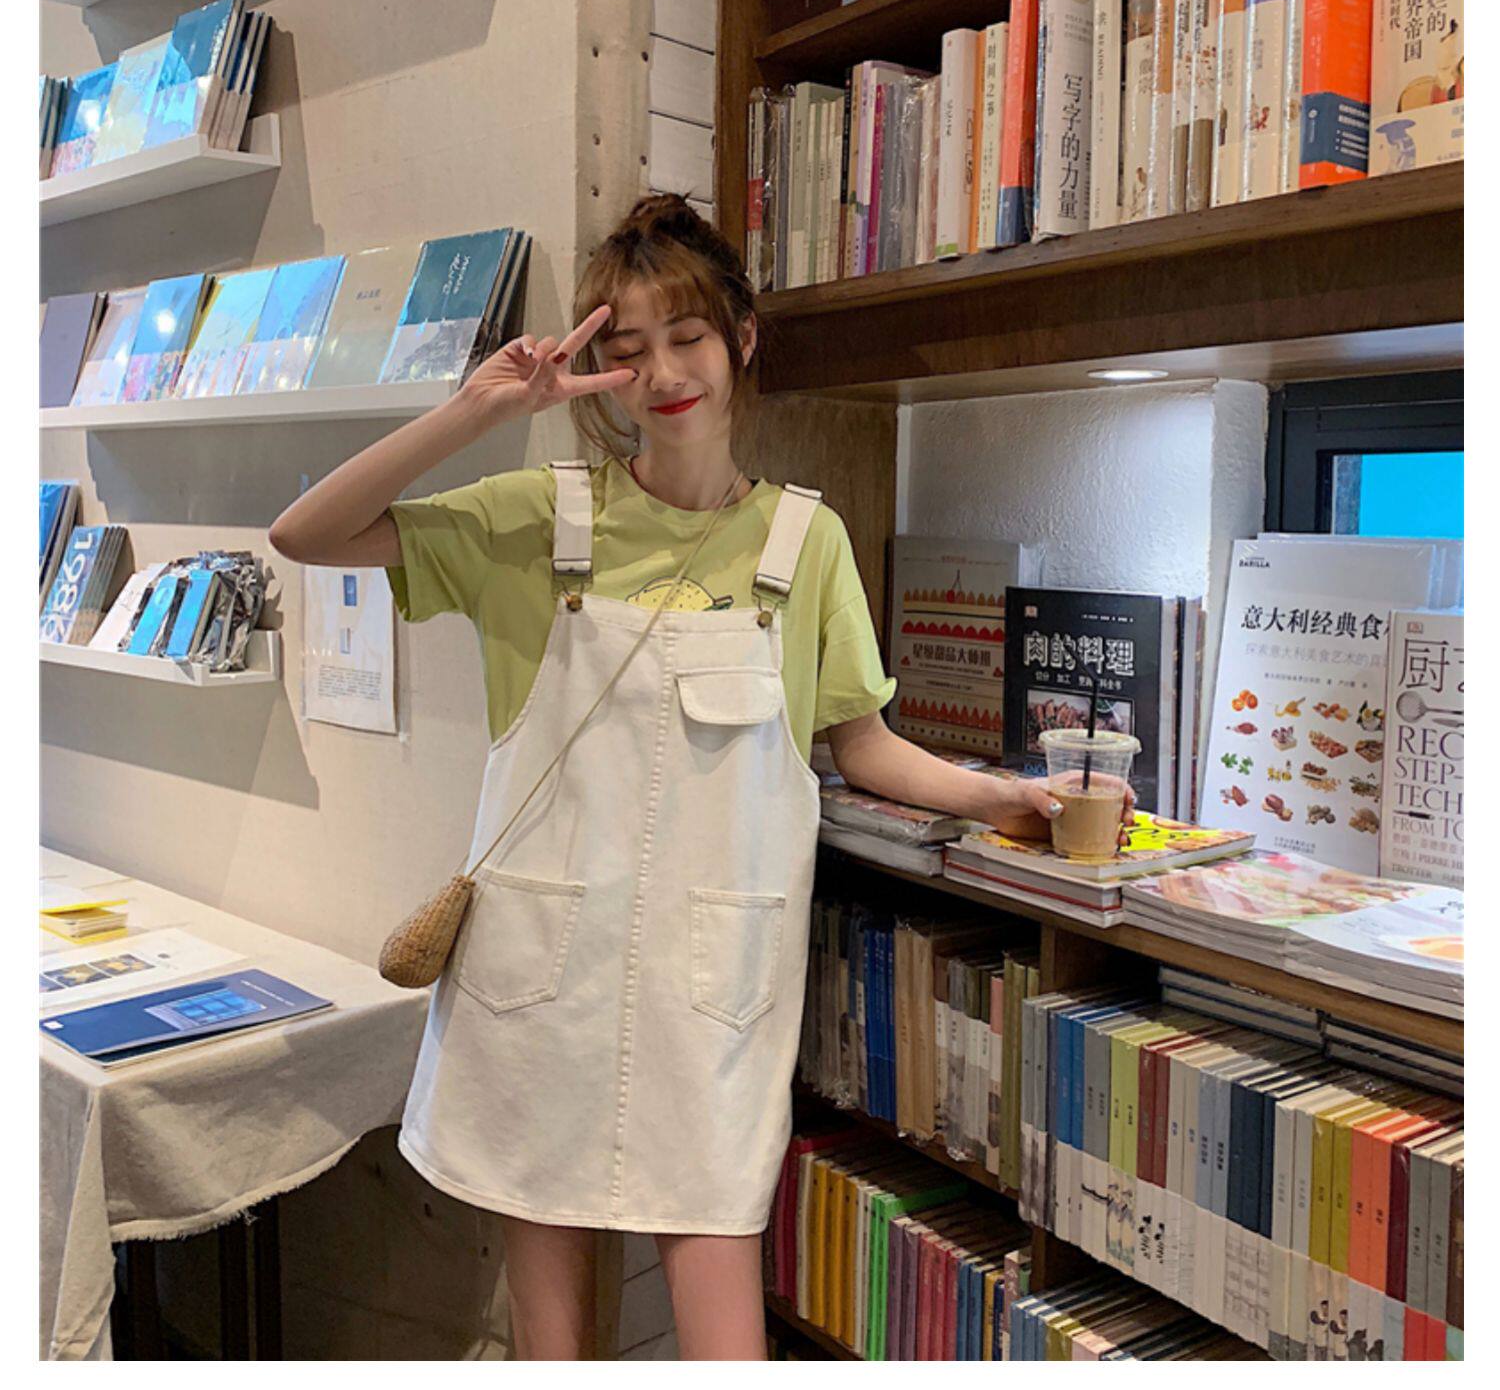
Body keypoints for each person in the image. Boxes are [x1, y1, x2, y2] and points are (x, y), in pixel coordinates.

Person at [269, 194, 1128, 1360]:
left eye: (687, 336)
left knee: (724, 1334)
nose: (664, 373)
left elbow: (861, 742)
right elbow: (306, 533)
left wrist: (1002, 794)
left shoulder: (805, 543)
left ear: (742, 338)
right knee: (553, 1346)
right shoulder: (539, 518)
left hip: (712, 990)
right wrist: (478, 409)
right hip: (538, 985)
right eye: (626, 349)